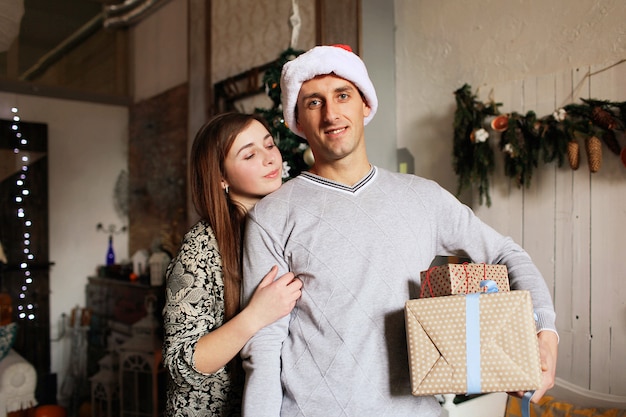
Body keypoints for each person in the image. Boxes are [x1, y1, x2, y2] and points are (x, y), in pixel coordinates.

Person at [240, 44, 559, 417]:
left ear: (364, 105)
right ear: (297, 120)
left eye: (342, 95)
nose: (331, 114)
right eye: (314, 102)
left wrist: (545, 332)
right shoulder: (272, 216)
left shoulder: (423, 197)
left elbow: (507, 255)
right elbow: (264, 346)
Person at [162, 112, 303, 417]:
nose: (270, 159)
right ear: (221, 177)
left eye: (269, 145)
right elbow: (182, 364)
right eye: (250, 154)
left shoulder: (286, 226)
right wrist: (256, 315)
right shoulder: (200, 248)